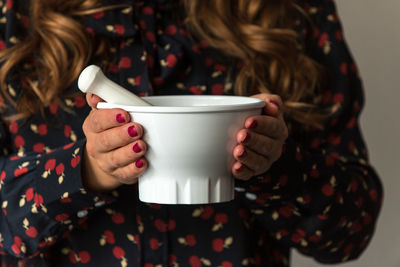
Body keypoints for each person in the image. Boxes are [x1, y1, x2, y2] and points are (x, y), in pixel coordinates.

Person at [0, 0, 383, 266]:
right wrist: (86, 171)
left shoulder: (292, 14)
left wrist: (275, 166)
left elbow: (352, 231)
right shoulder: (15, 18)